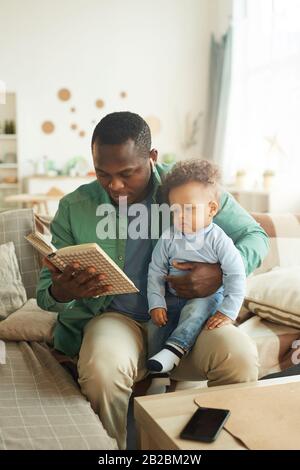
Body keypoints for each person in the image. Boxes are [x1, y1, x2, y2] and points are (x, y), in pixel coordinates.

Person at [37, 112, 269, 450]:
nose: (115, 186)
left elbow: (254, 235)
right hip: (116, 318)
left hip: (187, 317)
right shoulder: (75, 206)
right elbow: (46, 294)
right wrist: (63, 290)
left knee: (240, 357)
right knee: (103, 369)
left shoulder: (189, 188)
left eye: (127, 173)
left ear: (152, 157)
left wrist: (218, 274)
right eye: (103, 174)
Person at [146, 159, 246, 395]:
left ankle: (174, 350)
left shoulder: (218, 240)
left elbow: (236, 274)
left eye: (189, 208)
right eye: (175, 209)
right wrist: (156, 303)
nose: (180, 216)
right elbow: (156, 270)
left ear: (211, 209)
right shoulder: (169, 237)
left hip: (207, 297)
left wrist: (227, 311)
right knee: (155, 325)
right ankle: (158, 376)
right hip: (172, 297)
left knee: (196, 310)